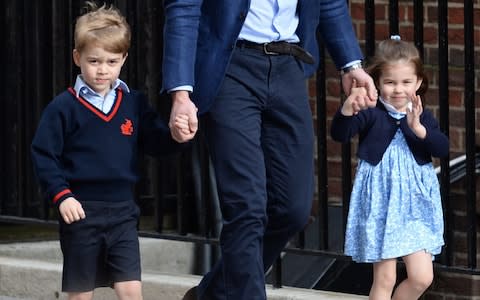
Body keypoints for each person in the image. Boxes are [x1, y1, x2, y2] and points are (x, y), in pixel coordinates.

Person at [162, 1, 378, 299]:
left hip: (288, 66)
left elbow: (330, 3)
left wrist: (351, 64)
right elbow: (184, 8)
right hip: (229, 68)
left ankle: (210, 294)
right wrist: (180, 93)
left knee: (293, 208)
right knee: (246, 207)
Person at [30, 2, 190, 300]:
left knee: (131, 291)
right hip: (80, 213)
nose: (103, 69)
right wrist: (61, 196)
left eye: (111, 61)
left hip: (123, 214)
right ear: (77, 57)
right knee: (81, 294)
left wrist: (177, 136)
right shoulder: (63, 108)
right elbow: (44, 155)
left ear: (124, 59)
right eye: (94, 61)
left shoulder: (134, 104)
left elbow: (156, 143)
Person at [330, 37, 449, 300]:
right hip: (381, 202)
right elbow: (340, 133)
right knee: (385, 278)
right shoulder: (371, 111)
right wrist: (347, 110)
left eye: (406, 82)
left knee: (422, 277)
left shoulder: (422, 115)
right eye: (390, 82)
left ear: (418, 82)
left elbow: (442, 148)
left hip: (416, 205)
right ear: (377, 82)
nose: (398, 90)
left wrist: (419, 129)